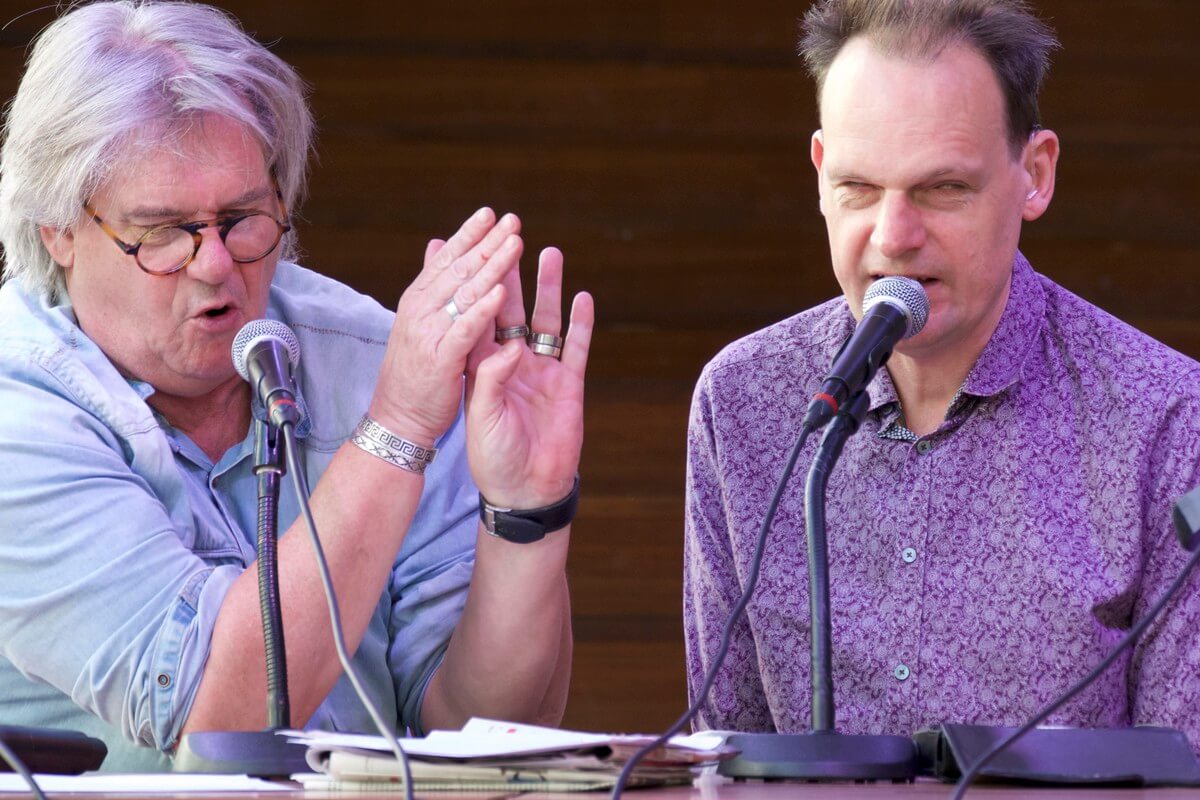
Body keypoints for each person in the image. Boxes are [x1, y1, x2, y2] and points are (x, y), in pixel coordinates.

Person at [0, 1, 593, 772]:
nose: (215, 264)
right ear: (59, 230)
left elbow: (484, 734)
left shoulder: (377, 356)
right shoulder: (17, 413)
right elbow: (223, 730)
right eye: (164, 232)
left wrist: (528, 513)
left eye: (244, 217)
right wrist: (399, 428)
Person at [684, 0, 1200, 753]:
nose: (893, 237)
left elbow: (1187, 769)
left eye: (941, 189)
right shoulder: (745, 401)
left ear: (1035, 173)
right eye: (859, 189)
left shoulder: (1168, 417)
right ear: (821, 172)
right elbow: (722, 755)